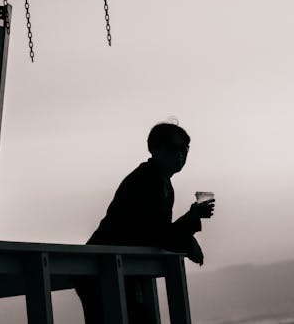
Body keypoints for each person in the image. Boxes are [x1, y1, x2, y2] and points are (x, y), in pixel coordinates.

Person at [75, 122, 215, 324]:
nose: (181, 154)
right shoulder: (145, 181)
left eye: (185, 149)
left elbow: (157, 233)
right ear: (155, 149)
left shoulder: (161, 183)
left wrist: (189, 231)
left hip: (116, 269)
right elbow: (157, 235)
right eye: (174, 148)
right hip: (104, 270)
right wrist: (191, 224)